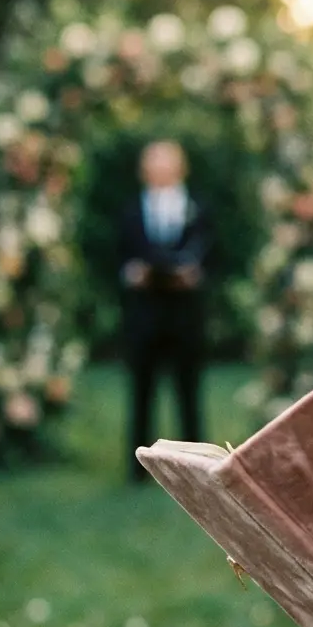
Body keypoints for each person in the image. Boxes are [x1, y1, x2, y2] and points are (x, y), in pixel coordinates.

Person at [118, 141, 210, 483]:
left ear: (181, 167)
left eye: (167, 162)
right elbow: (120, 253)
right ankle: (139, 467)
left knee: (188, 389)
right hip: (145, 312)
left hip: (185, 312)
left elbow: (212, 250)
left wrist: (195, 273)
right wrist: (131, 273)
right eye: (154, 162)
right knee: (142, 389)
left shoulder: (198, 206)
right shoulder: (130, 208)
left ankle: (194, 467)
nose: (161, 169)